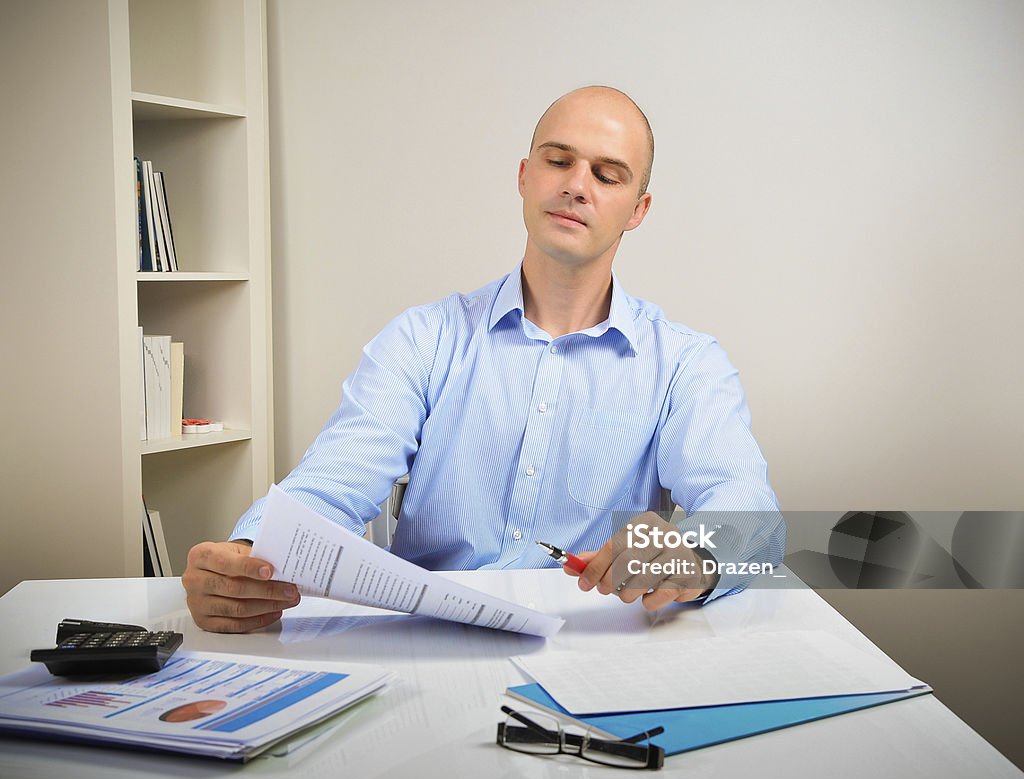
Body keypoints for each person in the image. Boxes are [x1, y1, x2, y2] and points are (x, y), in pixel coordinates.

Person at [182, 86, 785, 633]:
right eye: (558, 161)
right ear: (525, 176)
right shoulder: (422, 339)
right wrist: (244, 557)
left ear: (638, 210)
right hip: (428, 651)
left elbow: (753, 519)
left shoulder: (686, 364)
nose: (577, 185)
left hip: (599, 654)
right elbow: (330, 488)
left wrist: (696, 552)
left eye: (607, 174)